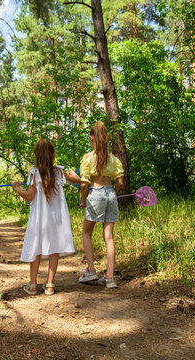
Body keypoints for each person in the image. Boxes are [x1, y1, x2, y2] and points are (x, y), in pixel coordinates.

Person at [12, 139, 80, 295]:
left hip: (39, 219)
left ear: (37, 156)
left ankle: (32, 285)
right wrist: (73, 173)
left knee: (36, 249)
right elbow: (78, 180)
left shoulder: (34, 173)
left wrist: (16, 188)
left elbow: (29, 196)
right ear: (52, 155)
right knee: (53, 250)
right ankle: (50, 285)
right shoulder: (59, 172)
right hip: (57, 219)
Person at [77, 121, 124, 288]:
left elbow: (84, 184)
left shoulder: (87, 158)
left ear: (92, 138)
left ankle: (91, 270)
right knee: (109, 237)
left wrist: (83, 201)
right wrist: (113, 194)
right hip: (110, 193)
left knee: (86, 233)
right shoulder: (114, 159)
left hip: (95, 193)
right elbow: (119, 183)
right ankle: (110, 277)